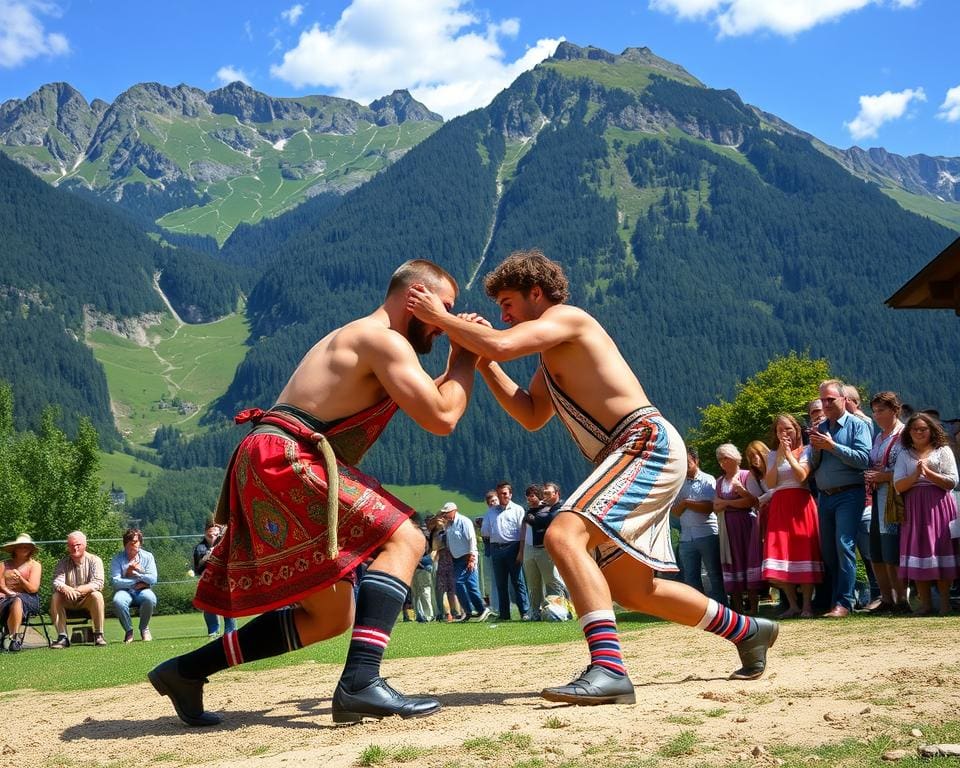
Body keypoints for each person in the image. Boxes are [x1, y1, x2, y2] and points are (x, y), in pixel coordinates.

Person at [407, 249, 777, 705]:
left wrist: (441, 321)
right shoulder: (550, 356)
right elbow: (531, 413)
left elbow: (501, 342)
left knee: (564, 534)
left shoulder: (569, 318)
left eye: (507, 303)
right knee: (632, 588)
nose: (501, 314)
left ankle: (609, 669)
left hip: (643, 443)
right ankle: (750, 631)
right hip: (636, 448)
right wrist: (485, 362)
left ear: (536, 294)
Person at [149, 259, 479, 727]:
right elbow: (443, 418)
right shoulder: (381, 339)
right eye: (443, 309)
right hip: (287, 455)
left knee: (329, 616)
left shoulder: (370, 339)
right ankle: (361, 682)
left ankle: (185, 672)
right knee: (406, 537)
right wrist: (467, 358)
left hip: (269, 454)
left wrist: (457, 362)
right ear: (416, 299)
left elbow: (431, 397)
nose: (445, 323)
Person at [809, 379, 872, 618]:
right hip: (824, 497)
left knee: (843, 546)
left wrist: (832, 446)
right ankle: (836, 599)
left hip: (849, 494)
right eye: (822, 400)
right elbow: (814, 465)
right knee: (828, 551)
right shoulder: (821, 427)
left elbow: (863, 460)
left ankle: (843, 603)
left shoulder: (858, 426)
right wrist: (815, 448)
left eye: (830, 399)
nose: (825, 404)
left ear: (844, 400)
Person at [893, 413, 960, 615]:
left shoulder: (943, 451)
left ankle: (945, 604)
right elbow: (898, 485)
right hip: (914, 507)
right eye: (915, 429)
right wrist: (915, 475)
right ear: (909, 432)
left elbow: (952, 482)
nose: (919, 432)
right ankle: (925, 604)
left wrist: (929, 474)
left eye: (923, 429)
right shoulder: (905, 454)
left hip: (939, 505)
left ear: (932, 430)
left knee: (939, 550)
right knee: (919, 550)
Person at [762, 414, 823, 618]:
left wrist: (789, 455)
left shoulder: (806, 450)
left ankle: (807, 605)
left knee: (802, 550)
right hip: (780, 503)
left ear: (797, 430)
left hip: (800, 502)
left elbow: (801, 476)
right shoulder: (772, 455)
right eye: (780, 430)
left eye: (788, 429)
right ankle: (793, 605)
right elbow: (770, 484)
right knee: (782, 551)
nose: (784, 433)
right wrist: (779, 456)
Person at [863, 392, 910, 614]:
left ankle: (901, 599)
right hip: (878, 499)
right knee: (878, 552)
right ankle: (887, 598)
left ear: (894, 410)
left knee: (892, 550)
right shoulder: (880, 436)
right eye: (874, 410)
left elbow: (911, 469)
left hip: (896, 498)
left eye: (881, 410)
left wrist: (885, 476)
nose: (876, 414)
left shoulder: (903, 435)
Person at [670, 448, 725, 605]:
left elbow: (708, 508)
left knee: (714, 573)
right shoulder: (679, 484)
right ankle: (700, 608)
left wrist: (686, 503)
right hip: (686, 537)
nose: (685, 467)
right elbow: (675, 511)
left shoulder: (708, 480)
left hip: (707, 533)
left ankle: (722, 606)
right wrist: (690, 504)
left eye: (688, 463)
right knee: (690, 576)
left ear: (696, 461)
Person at [714, 444, 764, 614]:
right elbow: (716, 506)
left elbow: (751, 501)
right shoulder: (720, 481)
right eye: (720, 459)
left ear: (735, 458)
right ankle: (738, 608)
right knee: (732, 563)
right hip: (728, 528)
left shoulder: (745, 475)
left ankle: (754, 606)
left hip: (746, 525)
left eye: (725, 458)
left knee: (748, 560)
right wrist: (730, 504)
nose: (722, 462)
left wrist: (728, 503)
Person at [481, 482, 530, 621]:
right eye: (500, 493)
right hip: (496, 548)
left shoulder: (517, 509)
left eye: (505, 493)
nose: (502, 496)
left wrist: (521, 551)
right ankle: (504, 614)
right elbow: (485, 532)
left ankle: (524, 612)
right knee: (500, 583)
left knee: (517, 582)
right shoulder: (491, 511)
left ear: (510, 494)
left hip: (513, 547)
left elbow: (523, 533)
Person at [50, 531, 107, 648]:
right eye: (71, 545)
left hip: (87, 599)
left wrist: (80, 589)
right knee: (56, 596)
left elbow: (98, 582)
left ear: (85, 545)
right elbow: (57, 581)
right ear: (68, 546)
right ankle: (62, 637)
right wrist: (65, 588)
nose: (75, 548)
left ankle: (98, 635)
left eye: (78, 545)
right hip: (68, 600)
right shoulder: (62, 563)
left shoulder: (95, 560)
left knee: (97, 595)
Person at [519, 484, 566, 618]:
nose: (529, 498)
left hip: (544, 549)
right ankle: (534, 611)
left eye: (532, 495)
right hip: (529, 549)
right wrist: (522, 551)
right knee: (533, 583)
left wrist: (536, 520)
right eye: (527, 496)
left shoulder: (547, 510)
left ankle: (558, 609)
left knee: (551, 581)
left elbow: (548, 524)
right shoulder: (528, 511)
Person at [437, 502, 490, 621]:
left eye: (447, 512)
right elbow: (450, 541)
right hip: (456, 559)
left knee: (459, 583)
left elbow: (471, 539)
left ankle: (476, 609)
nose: (444, 515)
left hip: (467, 558)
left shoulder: (464, 521)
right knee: (470, 586)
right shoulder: (448, 525)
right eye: (444, 513)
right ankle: (474, 610)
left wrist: (471, 559)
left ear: (454, 511)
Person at [111, 528, 158, 643]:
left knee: (150, 598)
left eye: (136, 541)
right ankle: (129, 631)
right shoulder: (117, 559)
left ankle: (144, 628)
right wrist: (133, 582)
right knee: (118, 600)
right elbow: (115, 582)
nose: (133, 545)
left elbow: (153, 578)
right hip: (124, 591)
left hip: (142, 591)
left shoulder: (148, 557)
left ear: (140, 543)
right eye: (129, 542)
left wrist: (139, 573)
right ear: (125, 544)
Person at [193, 521, 236, 638]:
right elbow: (199, 569)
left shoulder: (227, 545)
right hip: (209, 580)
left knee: (228, 603)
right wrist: (207, 556)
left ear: (220, 534)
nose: (212, 538)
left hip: (225, 580)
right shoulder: (200, 548)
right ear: (205, 534)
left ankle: (230, 630)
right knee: (207, 603)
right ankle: (213, 630)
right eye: (209, 535)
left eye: (215, 535)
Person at [0, 534, 42, 651]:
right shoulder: (3, 564)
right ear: (14, 548)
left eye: (26, 547)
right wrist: (8, 592)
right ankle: (6, 636)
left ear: (31, 549)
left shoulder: (35, 565)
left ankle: (14, 638)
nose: (23, 548)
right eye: (20, 546)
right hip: (5, 596)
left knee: (17, 600)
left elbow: (33, 589)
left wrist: (20, 579)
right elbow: (0, 584)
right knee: (12, 600)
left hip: (29, 598)